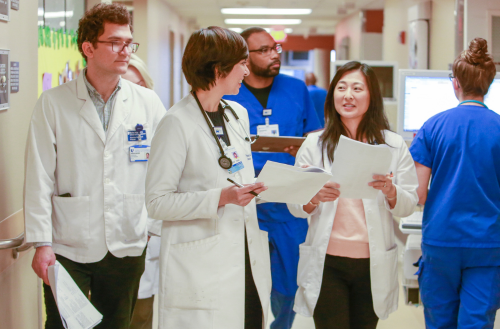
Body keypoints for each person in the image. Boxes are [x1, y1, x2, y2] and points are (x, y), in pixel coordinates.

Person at [24, 4, 166, 328]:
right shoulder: (53, 103)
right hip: (67, 242)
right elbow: (38, 177)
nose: (126, 50)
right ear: (89, 48)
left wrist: (151, 226)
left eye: (130, 42)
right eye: (115, 42)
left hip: (128, 240)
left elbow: (163, 171)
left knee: (116, 324)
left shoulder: (148, 103)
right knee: (61, 324)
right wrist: (41, 244)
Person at [145, 26, 272, 329]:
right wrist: (220, 198)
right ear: (218, 69)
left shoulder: (236, 113)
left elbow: (239, 174)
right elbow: (157, 203)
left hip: (243, 252)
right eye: (241, 63)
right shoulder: (176, 123)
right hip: (198, 263)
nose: (246, 69)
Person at [287, 61, 418, 329]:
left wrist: (391, 191)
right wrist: (313, 196)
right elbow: (294, 205)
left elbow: (408, 205)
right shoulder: (315, 144)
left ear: (371, 96)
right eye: (341, 87)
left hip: (372, 262)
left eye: (357, 88)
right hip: (327, 262)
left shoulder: (392, 145)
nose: (348, 95)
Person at [224, 27, 321, 329]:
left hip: (289, 205)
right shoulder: (230, 92)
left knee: (290, 286)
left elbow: (315, 138)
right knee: (248, 284)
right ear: (245, 57)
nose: (273, 55)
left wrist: (304, 149)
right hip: (246, 204)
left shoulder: (296, 89)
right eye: (263, 50)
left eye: (275, 48)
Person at [410, 38, 500, 329]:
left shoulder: (432, 126)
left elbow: (419, 194)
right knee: (476, 322)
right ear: (488, 84)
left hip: (442, 240)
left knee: (440, 322)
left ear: (455, 83)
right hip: (488, 242)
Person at [122, 53, 161, 329]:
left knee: (141, 315)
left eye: (138, 85)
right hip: (106, 242)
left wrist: (150, 225)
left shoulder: (160, 121)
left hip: (147, 232)